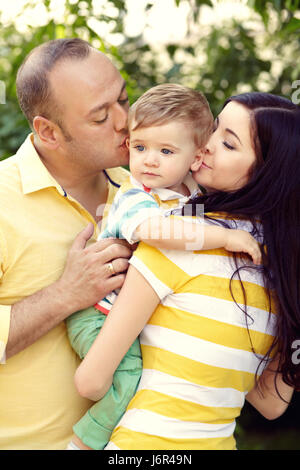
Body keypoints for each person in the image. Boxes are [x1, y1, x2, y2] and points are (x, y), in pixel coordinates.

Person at [75, 92, 299, 450]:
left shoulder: (178, 239)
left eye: (227, 143)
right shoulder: (282, 269)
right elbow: (271, 402)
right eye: (213, 130)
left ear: (267, 172)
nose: (205, 146)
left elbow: (91, 381)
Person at [0, 38, 136, 450]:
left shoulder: (145, 194)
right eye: (100, 117)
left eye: (124, 100)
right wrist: (66, 295)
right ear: (48, 132)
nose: (125, 122)